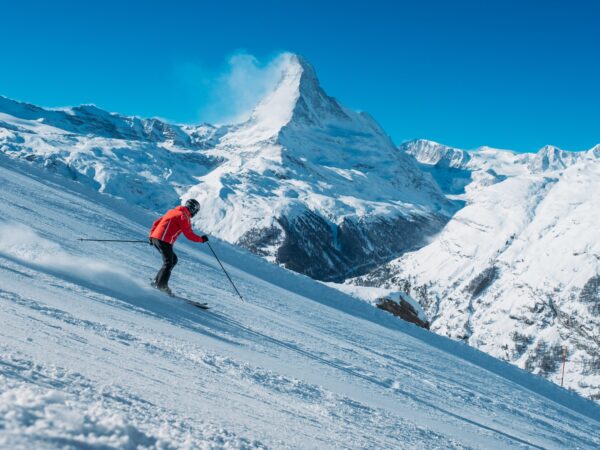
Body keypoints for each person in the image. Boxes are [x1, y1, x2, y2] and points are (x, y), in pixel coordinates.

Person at [149, 199, 208, 296]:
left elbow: (156, 222)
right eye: (196, 211)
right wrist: (201, 240)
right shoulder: (183, 216)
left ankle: (157, 281)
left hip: (157, 238)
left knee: (173, 260)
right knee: (168, 263)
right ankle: (161, 286)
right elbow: (189, 235)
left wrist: (151, 236)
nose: (195, 214)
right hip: (164, 240)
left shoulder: (172, 211)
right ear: (193, 209)